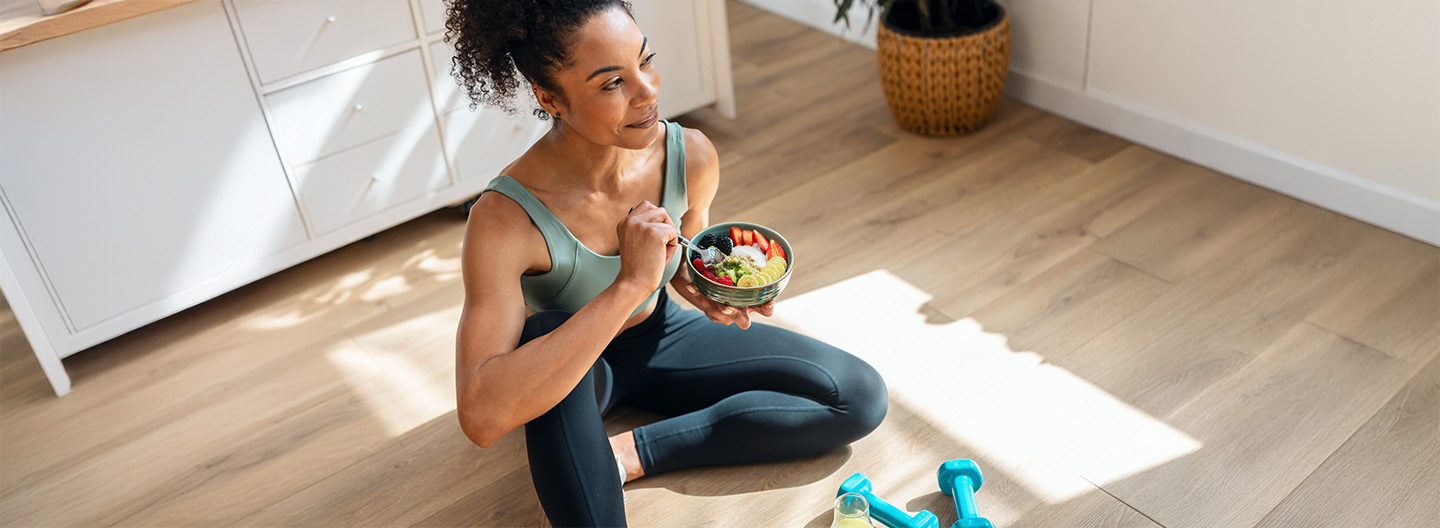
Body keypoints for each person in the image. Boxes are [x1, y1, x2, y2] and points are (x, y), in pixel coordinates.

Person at [445, 1, 889, 526]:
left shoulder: (690, 154)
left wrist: (708, 287)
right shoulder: (505, 218)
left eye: (645, 59)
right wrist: (629, 283)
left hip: (661, 335)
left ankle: (632, 453)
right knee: (545, 329)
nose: (648, 89)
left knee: (860, 397)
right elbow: (482, 415)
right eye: (612, 83)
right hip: (571, 367)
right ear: (550, 98)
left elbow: (684, 255)